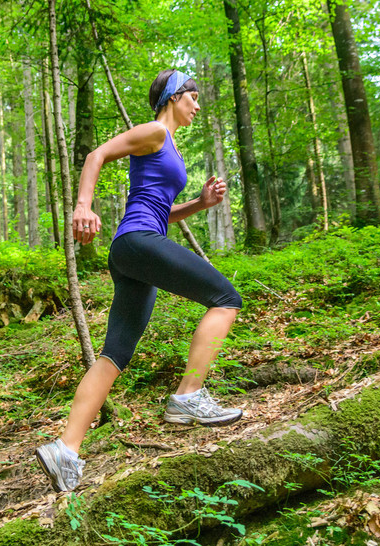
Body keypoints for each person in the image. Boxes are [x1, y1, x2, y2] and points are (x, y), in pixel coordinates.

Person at [35, 69, 242, 494]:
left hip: (137, 245)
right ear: (173, 96)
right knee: (225, 298)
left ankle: (65, 450)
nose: (197, 106)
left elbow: (157, 211)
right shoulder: (154, 132)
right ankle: (188, 396)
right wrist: (82, 206)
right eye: (194, 97)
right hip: (136, 242)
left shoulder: (170, 149)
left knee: (115, 353)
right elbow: (95, 155)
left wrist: (201, 204)